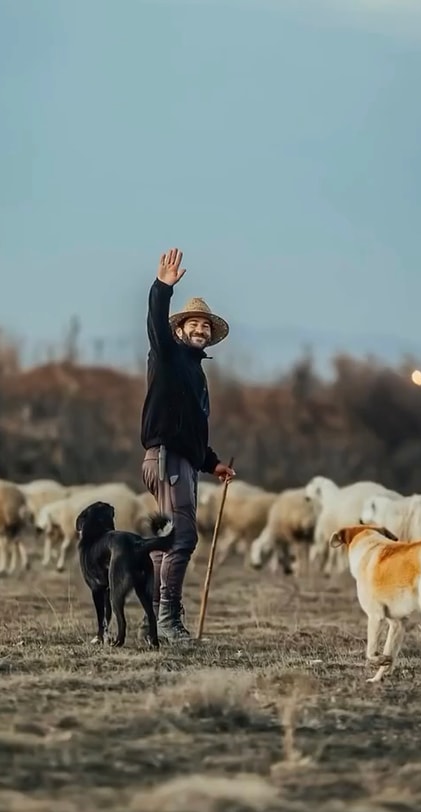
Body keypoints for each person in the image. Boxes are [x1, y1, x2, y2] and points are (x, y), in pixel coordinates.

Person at [140, 248, 235, 642]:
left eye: (206, 327)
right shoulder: (168, 356)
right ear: (179, 330)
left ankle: (154, 623)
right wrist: (162, 287)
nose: (200, 330)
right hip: (166, 458)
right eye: (194, 324)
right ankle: (168, 621)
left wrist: (212, 463)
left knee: (166, 542)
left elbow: (194, 427)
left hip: (181, 460)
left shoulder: (195, 372)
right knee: (183, 536)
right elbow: (155, 327)